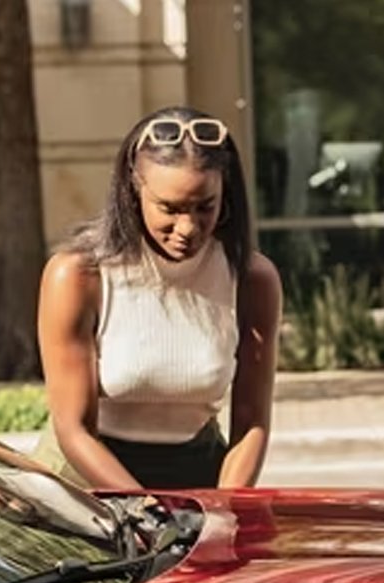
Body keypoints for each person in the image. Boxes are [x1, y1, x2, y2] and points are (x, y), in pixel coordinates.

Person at [33, 107, 283, 491]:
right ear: (133, 191)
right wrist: (144, 509)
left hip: (198, 478)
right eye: (170, 208)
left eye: (205, 207)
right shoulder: (79, 275)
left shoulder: (252, 279)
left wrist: (227, 506)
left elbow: (251, 423)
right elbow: (73, 429)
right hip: (85, 483)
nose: (188, 228)